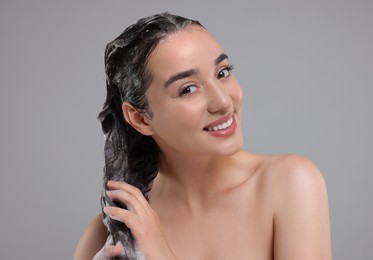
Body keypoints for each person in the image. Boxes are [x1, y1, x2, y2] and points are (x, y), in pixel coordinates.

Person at [74, 12, 332, 260]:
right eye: (188, 89)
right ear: (141, 118)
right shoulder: (115, 230)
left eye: (222, 72)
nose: (223, 101)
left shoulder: (288, 183)